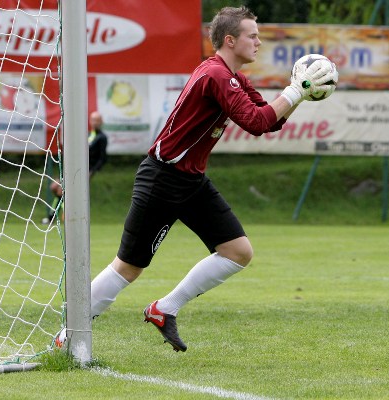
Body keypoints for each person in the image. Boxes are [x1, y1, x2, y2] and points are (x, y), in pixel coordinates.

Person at [88, 6, 337, 352]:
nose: (258, 41)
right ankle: (70, 331)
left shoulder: (232, 76)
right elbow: (256, 122)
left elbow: (270, 119)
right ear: (231, 40)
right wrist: (298, 89)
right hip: (162, 178)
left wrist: (298, 91)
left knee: (238, 251)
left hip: (190, 181)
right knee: (128, 267)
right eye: (253, 35)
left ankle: (164, 309)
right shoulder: (216, 75)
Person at [43, 111, 108, 224]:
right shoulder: (88, 135)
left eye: (97, 120)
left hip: (86, 170)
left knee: (62, 191)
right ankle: (65, 213)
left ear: (101, 122)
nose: (95, 122)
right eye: (93, 120)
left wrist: (92, 171)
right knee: (55, 188)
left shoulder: (102, 138)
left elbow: (102, 158)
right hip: (74, 167)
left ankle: (53, 216)